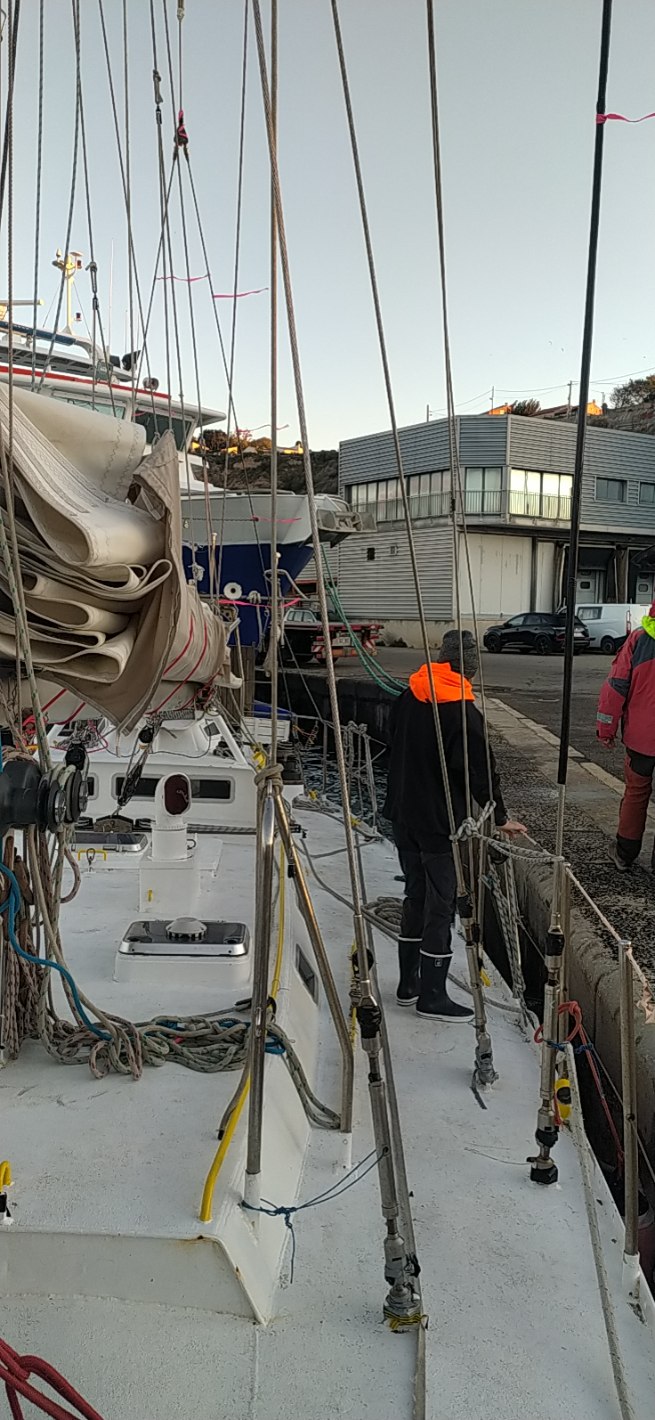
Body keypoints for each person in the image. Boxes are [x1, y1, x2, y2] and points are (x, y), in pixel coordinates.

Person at [385, 630, 525, 1021]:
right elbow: (480, 772)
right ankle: (432, 995)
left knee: (415, 894)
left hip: (402, 814)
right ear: (471, 670)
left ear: (441, 660)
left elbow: (392, 740)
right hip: (437, 823)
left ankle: (407, 984)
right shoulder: (462, 712)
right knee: (441, 903)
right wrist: (500, 818)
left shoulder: (409, 695)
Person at [597, 603, 655, 870]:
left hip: (642, 737)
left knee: (636, 793)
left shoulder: (639, 639)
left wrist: (606, 729)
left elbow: (615, 687)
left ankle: (625, 853)